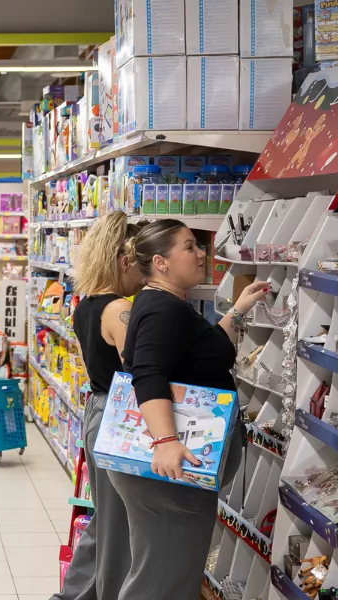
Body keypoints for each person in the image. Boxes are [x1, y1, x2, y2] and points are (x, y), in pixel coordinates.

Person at [112, 219, 267, 599]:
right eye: (189, 247)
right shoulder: (162, 310)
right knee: (162, 580)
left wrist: (239, 310)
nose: (202, 254)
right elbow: (147, 372)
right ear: (161, 262)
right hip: (171, 470)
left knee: (166, 573)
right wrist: (165, 440)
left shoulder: (166, 305)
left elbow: (205, 351)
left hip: (178, 473)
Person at [53, 211, 142, 600]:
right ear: (125, 261)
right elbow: (141, 372)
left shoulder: (87, 304)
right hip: (118, 415)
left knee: (106, 516)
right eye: (142, 261)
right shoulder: (119, 310)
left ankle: (72, 594)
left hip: (98, 410)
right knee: (116, 522)